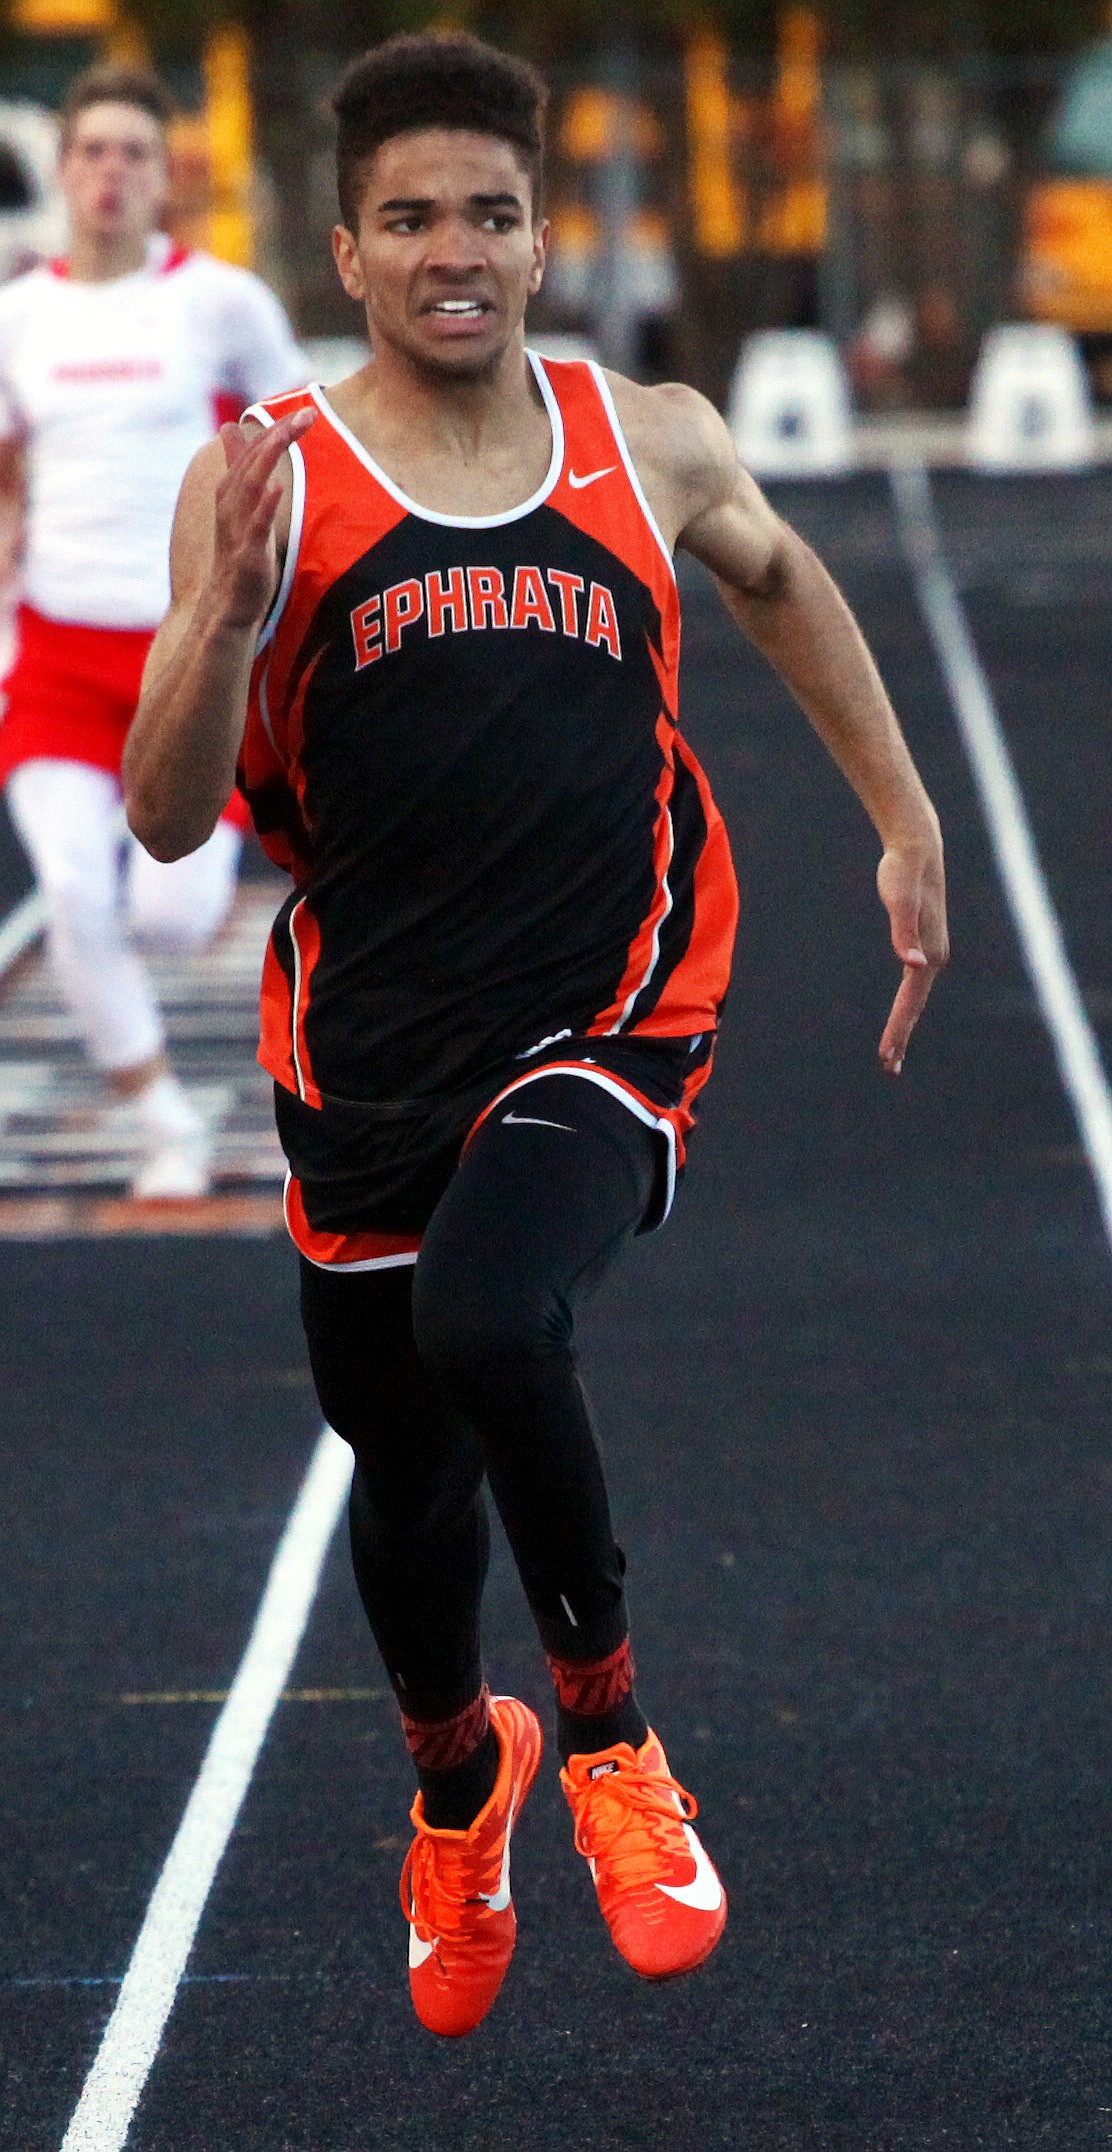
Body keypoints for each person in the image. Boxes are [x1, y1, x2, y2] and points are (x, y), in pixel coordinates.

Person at [124, 33, 948, 2037]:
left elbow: (775, 571)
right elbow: (162, 816)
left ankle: (603, 1731)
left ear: (542, 236)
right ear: (347, 246)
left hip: (611, 999)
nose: (454, 251)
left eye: (488, 212)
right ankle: (453, 1774)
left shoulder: (638, 431)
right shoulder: (270, 483)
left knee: (496, 1320)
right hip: (367, 1057)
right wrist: (220, 624)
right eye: (410, 218)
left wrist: (905, 815)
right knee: (402, 1479)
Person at [0, 63, 305, 1197]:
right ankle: (161, 1115)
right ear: (63, 171)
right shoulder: (17, 318)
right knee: (74, 892)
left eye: (135, 152)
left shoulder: (218, 302)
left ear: (163, 177)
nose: (112, 173)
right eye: (92, 152)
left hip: (189, 659)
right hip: (59, 659)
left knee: (172, 914)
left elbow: (298, 439)